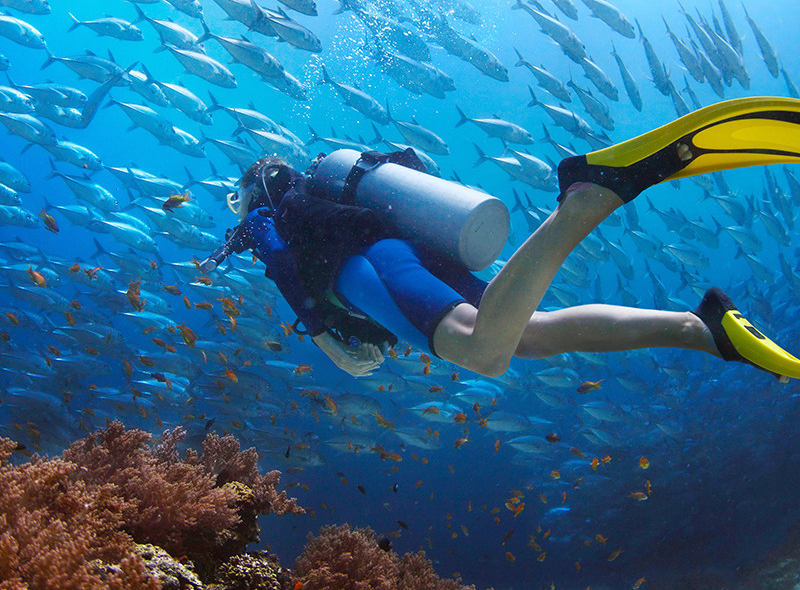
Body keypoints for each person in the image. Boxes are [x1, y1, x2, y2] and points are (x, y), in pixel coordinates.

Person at [204, 96, 800, 380]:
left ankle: (587, 198)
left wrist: (327, 340)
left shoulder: (267, 216)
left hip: (362, 270)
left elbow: (287, 270)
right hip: (407, 252)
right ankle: (702, 328)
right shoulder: (329, 189)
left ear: (251, 192)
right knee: (527, 336)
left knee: (482, 351)